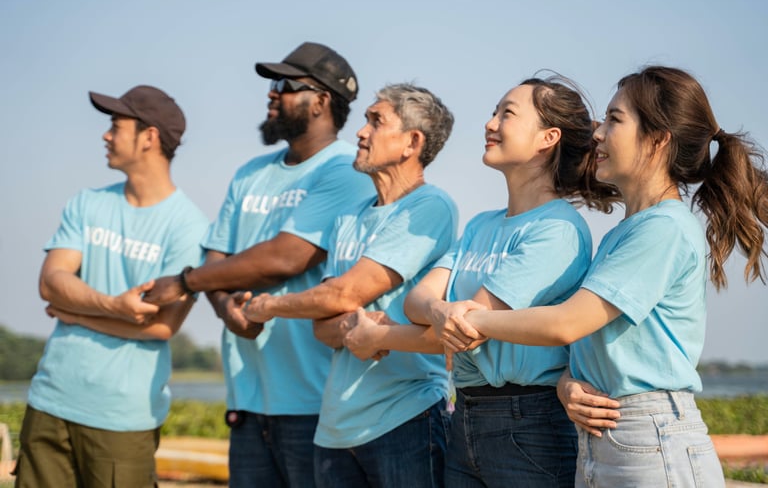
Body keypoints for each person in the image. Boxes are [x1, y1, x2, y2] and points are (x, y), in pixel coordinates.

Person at [444, 66, 768, 487]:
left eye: (615, 120)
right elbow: (591, 344)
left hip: (650, 442)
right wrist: (567, 385)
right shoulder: (623, 232)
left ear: (658, 139)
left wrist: (468, 319)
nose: (597, 133)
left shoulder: (665, 228)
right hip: (606, 439)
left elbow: (566, 322)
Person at [143, 42, 373, 487]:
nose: (272, 94)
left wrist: (186, 282)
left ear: (322, 101)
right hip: (247, 400)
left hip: (315, 401)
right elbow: (218, 257)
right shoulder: (250, 172)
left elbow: (286, 258)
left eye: (284, 84)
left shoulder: (345, 170)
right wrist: (223, 306)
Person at [396, 74, 618, 487]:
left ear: (547, 138)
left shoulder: (558, 229)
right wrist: (438, 309)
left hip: (530, 426)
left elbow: (471, 326)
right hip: (464, 416)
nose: (490, 123)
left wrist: (433, 313)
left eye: (506, 114)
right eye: (494, 112)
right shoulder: (481, 224)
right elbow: (416, 300)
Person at [242, 83, 457, 488]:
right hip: (335, 429)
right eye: (365, 121)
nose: (361, 132)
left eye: (376, 122)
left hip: (406, 419)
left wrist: (268, 307)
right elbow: (322, 326)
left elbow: (343, 295)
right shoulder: (348, 219)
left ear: (412, 142)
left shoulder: (430, 207)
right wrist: (353, 330)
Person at [14, 85, 209, 488]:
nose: (106, 135)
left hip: (123, 419)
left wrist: (74, 312)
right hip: (49, 402)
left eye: (115, 126)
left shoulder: (190, 226)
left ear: (149, 138)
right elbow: (51, 282)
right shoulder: (87, 203)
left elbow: (160, 326)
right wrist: (114, 307)